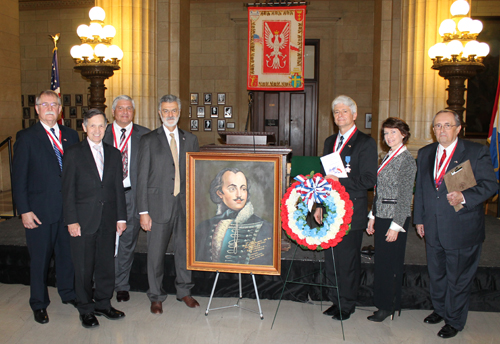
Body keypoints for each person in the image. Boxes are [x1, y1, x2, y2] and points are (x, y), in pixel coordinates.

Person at [413, 110, 497, 338]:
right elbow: (420, 189)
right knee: (437, 274)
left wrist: (465, 196)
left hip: (462, 228)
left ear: (458, 128)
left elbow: (490, 185)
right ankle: (440, 310)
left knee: (458, 279)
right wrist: (419, 219)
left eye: (447, 125)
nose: (442, 130)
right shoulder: (425, 153)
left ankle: (455, 320)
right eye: (438, 126)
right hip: (432, 227)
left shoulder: (474, 151)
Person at [12, 90, 79, 324]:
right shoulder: (27, 137)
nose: (50, 107)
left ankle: (68, 293)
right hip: (39, 212)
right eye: (45, 104)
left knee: (67, 257)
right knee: (40, 261)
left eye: (54, 104)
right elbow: (18, 178)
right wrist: (24, 210)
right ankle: (39, 303)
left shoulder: (71, 136)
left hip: (67, 211)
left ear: (60, 110)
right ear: (37, 109)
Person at [62, 109, 127, 329]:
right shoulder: (73, 153)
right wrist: (71, 220)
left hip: (108, 220)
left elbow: (118, 188)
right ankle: (86, 309)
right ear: (84, 127)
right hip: (82, 221)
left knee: (106, 266)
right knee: (83, 268)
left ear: (106, 127)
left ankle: (102, 304)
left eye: (101, 126)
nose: (97, 130)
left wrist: (121, 217)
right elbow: (68, 190)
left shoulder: (114, 153)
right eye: (93, 126)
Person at [314, 95, 377, 320]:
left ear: (354, 114)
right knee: (331, 259)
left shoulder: (365, 143)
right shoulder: (329, 141)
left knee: (348, 260)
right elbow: (324, 178)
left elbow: (369, 179)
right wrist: (319, 205)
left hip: (352, 211)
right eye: (336, 112)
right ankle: (335, 299)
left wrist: (342, 182)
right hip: (330, 210)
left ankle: (347, 304)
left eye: (344, 111)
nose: (340, 115)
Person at [137, 94, 200, 315]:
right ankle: (156, 296)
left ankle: (184, 291)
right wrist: (143, 211)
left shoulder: (190, 140)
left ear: (179, 112)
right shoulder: (148, 140)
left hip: (184, 206)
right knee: (155, 254)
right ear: (159, 113)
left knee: (184, 250)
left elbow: (195, 175)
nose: (170, 115)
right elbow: (141, 178)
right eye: (166, 111)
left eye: (174, 111)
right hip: (157, 206)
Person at [365, 117, 417, 322]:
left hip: (395, 218)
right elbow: (380, 190)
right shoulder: (388, 156)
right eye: (385, 133)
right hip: (382, 215)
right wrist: (372, 216)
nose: (388, 137)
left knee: (389, 264)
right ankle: (383, 303)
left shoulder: (406, 160)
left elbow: (405, 196)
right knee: (382, 263)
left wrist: (396, 226)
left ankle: (387, 307)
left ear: (403, 134)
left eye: (393, 132)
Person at [103, 95, 150, 303]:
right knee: (104, 240)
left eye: (129, 108)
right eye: (120, 108)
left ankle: (121, 285)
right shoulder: (100, 132)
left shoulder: (145, 136)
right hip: (106, 197)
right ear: (113, 112)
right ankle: (102, 281)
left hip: (132, 195)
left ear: (134, 112)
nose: (125, 112)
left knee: (127, 242)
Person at [195, 168, 273, 265]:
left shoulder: (266, 227)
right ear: (220, 193)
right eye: (232, 189)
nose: (239, 194)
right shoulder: (203, 227)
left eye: (243, 189)